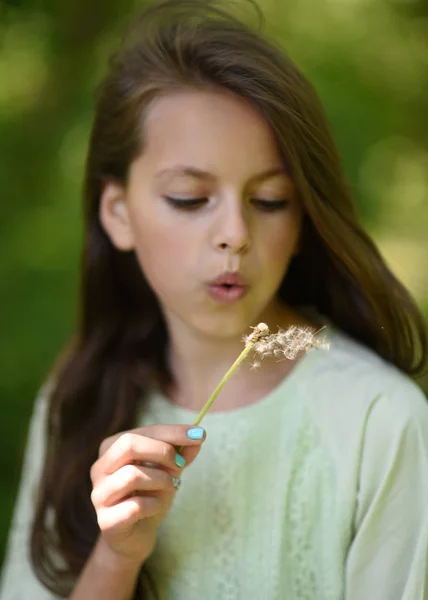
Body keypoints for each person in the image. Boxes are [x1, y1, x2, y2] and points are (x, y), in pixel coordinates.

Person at [1, 0, 428, 598]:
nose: (236, 233)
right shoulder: (77, 402)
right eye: (189, 197)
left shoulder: (379, 422)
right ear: (118, 212)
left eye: (271, 200)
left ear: (303, 219)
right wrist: (116, 556)